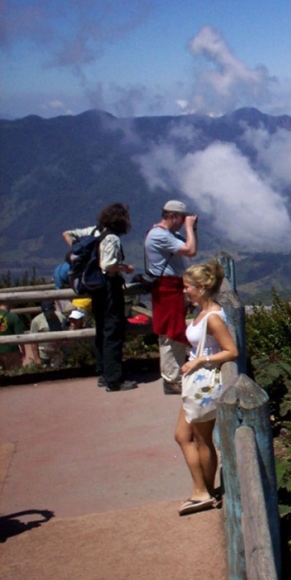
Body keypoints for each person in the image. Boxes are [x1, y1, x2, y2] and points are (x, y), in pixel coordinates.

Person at [174, 258, 237, 516]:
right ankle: (203, 489)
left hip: (203, 386)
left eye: (187, 287)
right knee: (184, 436)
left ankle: (203, 491)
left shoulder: (212, 318)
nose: (184, 291)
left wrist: (201, 359)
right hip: (196, 384)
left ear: (201, 288)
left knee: (200, 439)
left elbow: (231, 350)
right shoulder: (202, 311)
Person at [63, 202, 137, 391]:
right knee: (113, 331)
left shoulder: (95, 231)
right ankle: (114, 379)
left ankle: (103, 372)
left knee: (102, 329)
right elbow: (108, 265)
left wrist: (83, 255)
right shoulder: (112, 238)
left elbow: (68, 234)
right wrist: (125, 268)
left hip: (95, 287)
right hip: (109, 286)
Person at [145, 200, 198, 394]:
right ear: (173, 216)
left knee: (175, 332)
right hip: (166, 288)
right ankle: (170, 379)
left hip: (171, 287)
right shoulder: (159, 235)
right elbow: (191, 250)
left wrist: (192, 230)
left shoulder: (168, 235)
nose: (184, 222)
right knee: (170, 333)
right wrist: (189, 228)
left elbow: (190, 251)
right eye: (182, 219)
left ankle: (175, 376)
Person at [27, 301, 67, 367]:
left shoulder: (61, 317)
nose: (49, 315)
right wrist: (36, 358)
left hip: (59, 352)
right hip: (44, 354)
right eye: (47, 313)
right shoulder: (36, 321)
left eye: (50, 312)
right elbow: (33, 341)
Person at [0, 300, 27, 371]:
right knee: (15, 371)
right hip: (11, 350)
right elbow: (19, 336)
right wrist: (23, 349)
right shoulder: (13, 316)